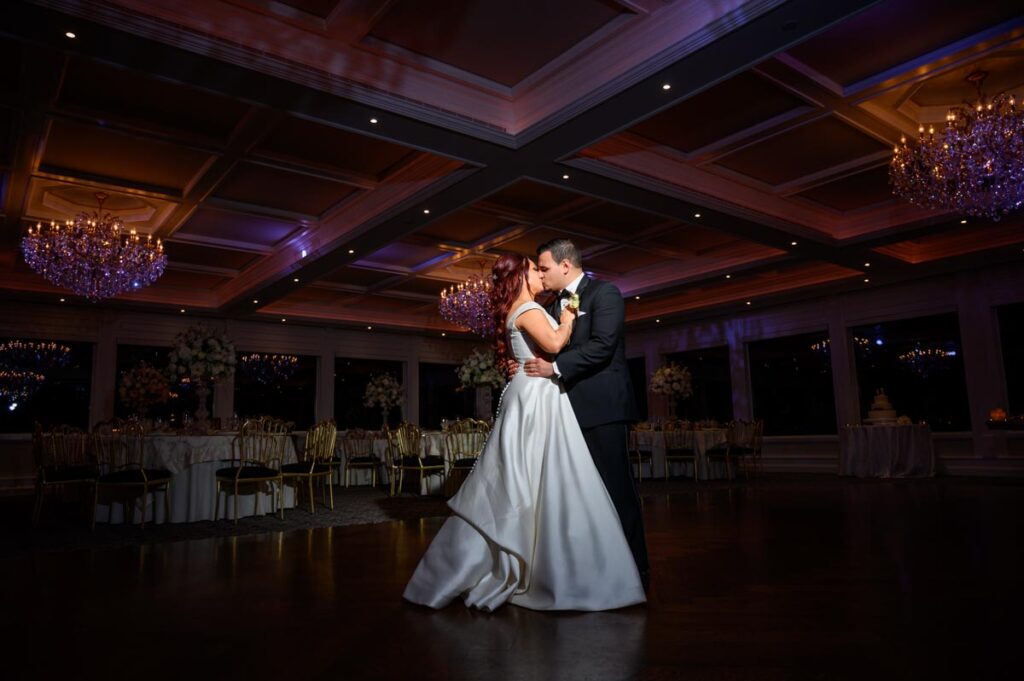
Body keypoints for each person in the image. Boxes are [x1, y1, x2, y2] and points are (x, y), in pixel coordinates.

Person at [402, 254, 645, 612]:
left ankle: (526, 558)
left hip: (534, 394)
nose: (540, 273)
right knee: (536, 477)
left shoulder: (528, 306)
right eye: (534, 268)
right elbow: (553, 345)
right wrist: (566, 320)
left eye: (541, 267)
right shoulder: (529, 307)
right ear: (520, 276)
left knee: (531, 478)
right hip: (535, 397)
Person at [525, 238, 649, 590]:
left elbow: (602, 346)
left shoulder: (605, 294)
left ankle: (637, 572)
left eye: (545, 268)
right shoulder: (550, 305)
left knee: (617, 491)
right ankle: (594, 569)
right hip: (565, 415)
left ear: (566, 265)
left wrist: (555, 368)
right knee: (581, 496)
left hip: (604, 409)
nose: (542, 275)